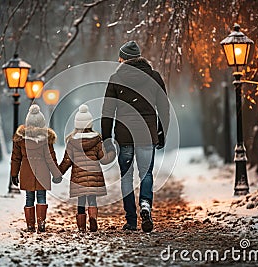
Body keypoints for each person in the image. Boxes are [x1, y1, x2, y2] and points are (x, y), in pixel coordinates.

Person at [101, 40, 170, 232]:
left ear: (123, 59)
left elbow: (107, 112)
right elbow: (164, 108)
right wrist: (162, 132)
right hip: (147, 133)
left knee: (126, 176)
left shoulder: (115, 78)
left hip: (124, 135)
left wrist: (106, 138)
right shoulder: (154, 77)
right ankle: (146, 205)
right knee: (146, 173)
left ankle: (131, 220)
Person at [59, 104, 116, 232]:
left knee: (81, 201)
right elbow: (104, 159)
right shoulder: (97, 141)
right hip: (94, 176)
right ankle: (93, 218)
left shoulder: (72, 142)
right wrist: (112, 152)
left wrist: (58, 174)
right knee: (92, 199)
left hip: (78, 178)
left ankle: (81, 226)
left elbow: (66, 161)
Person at [11, 104, 63, 233]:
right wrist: (57, 174)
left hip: (27, 172)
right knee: (41, 197)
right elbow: (51, 159)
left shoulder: (20, 140)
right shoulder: (46, 140)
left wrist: (14, 174)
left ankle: (30, 225)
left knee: (29, 198)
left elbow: (16, 158)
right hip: (42, 173)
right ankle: (41, 223)